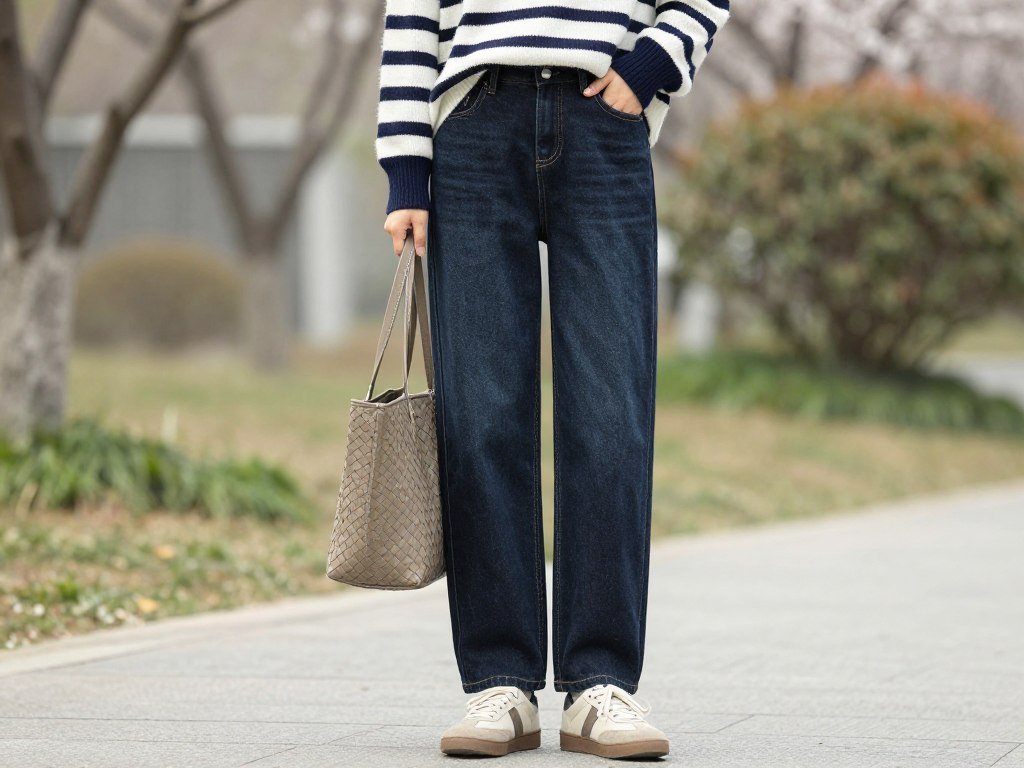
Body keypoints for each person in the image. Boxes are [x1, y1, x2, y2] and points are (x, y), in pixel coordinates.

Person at [375, 1, 730, 759]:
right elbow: (411, 14)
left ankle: (599, 684)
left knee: (611, 417)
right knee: (481, 417)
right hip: (475, 121)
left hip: (603, 117)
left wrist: (652, 66)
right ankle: (498, 683)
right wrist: (407, 168)